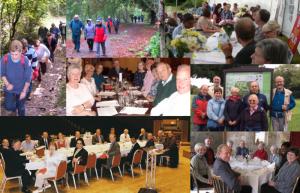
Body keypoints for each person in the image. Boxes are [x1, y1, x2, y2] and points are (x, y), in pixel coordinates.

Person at [1, 40, 31, 116]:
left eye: (16, 54)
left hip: (22, 89)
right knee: (9, 106)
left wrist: (24, 91)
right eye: (12, 54)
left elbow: (28, 78)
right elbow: (2, 73)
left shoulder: (26, 61)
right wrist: (7, 84)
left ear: (21, 52)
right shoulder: (5, 58)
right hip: (10, 89)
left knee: (21, 107)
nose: (14, 56)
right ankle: (14, 110)